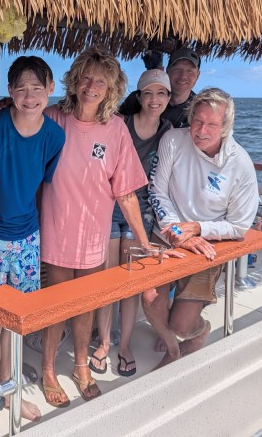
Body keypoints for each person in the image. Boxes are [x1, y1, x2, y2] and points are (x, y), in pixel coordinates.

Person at [38, 49, 183, 407]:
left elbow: (126, 191)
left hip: (93, 234)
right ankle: (47, 370)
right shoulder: (52, 118)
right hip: (55, 229)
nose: (92, 86)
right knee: (57, 305)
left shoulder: (116, 128)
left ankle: (82, 367)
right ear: (75, 80)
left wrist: (144, 241)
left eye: (100, 81)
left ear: (112, 88)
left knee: (86, 304)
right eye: (86, 78)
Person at [144, 87, 259, 368]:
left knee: (183, 325)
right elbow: (157, 191)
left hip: (206, 242)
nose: (202, 130)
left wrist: (198, 228)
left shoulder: (241, 164)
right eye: (197, 121)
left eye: (212, 124)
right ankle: (172, 349)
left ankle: (198, 330)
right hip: (167, 232)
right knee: (149, 297)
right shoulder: (172, 140)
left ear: (226, 127)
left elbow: (239, 226)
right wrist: (176, 231)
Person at [0, 56, 65, 424]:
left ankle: (8, 387)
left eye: (37, 88)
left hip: (27, 239)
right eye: (21, 89)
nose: (30, 96)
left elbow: (41, 182)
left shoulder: (54, 135)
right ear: (10, 93)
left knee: (17, 320)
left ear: (50, 89)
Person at [90, 69, 173, 378]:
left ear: (168, 98)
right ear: (138, 96)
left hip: (144, 211)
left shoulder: (170, 131)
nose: (154, 99)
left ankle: (123, 346)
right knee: (107, 279)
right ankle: (102, 343)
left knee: (130, 283)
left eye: (161, 93)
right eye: (148, 93)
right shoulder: (120, 123)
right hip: (110, 205)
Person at [119, 47, 201, 128]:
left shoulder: (199, 107)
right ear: (168, 70)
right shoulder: (138, 97)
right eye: (177, 69)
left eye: (190, 71)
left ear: (198, 74)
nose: (183, 76)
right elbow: (115, 123)